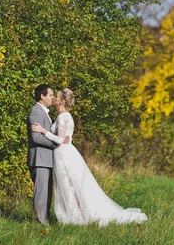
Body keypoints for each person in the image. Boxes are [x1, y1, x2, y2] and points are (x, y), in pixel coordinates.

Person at [31, 88, 148, 226]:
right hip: (62, 153)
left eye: (56, 97)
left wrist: (43, 131)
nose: (54, 99)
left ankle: (75, 217)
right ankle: (73, 215)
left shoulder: (63, 117)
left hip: (63, 154)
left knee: (69, 185)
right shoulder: (62, 116)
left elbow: (61, 140)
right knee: (67, 186)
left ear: (61, 101)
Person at [26, 84, 69, 225]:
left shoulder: (44, 112)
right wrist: (57, 143)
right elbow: (36, 138)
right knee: (42, 192)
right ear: (42, 96)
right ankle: (39, 221)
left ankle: (45, 219)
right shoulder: (36, 112)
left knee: (47, 192)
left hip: (45, 159)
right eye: (50, 95)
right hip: (39, 159)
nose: (53, 98)